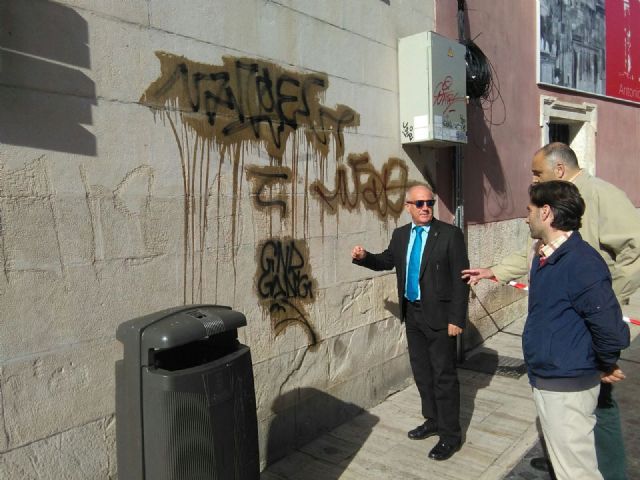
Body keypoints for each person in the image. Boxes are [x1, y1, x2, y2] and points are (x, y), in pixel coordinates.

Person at [462, 142, 640, 479]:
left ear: (559, 170)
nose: (532, 178)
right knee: (578, 426)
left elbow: (636, 250)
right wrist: (494, 270)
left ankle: (608, 471)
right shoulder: (553, 214)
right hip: (566, 343)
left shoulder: (602, 195)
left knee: (600, 409)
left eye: (537, 172)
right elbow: (532, 254)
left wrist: (604, 296)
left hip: (590, 328)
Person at [351, 185, 469, 461]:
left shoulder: (450, 235)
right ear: (408, 207)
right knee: (422, 373)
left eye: (429, 202)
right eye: (419, 203)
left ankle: (450, 434)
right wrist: (365, 257)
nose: (425, 207)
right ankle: (433, 420)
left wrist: (456, 318)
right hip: (413, 314)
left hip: (440, 318)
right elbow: (386, 261)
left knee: (444, 376)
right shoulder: (401, 235)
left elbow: (460, 279)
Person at [521, 180, 629, 480]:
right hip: (549, 376)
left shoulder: (582, 262)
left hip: (566, 384)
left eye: (528, 210)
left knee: (577, 473)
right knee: (566, 468)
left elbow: (609, 328)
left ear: (545, 213)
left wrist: (604, 363)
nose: (525, 216)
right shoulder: (545, 254)